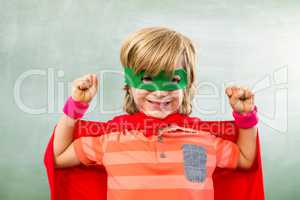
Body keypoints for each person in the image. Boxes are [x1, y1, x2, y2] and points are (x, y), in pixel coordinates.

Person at [51, 27, 259, 200]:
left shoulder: (204, 140)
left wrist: (245, 116)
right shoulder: (110, 140)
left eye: (174, 80)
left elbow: (245, 159)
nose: (160, 92)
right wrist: (76, 106)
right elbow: (59, 157)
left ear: (187, 85)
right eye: (147, 79)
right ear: (129, 86)